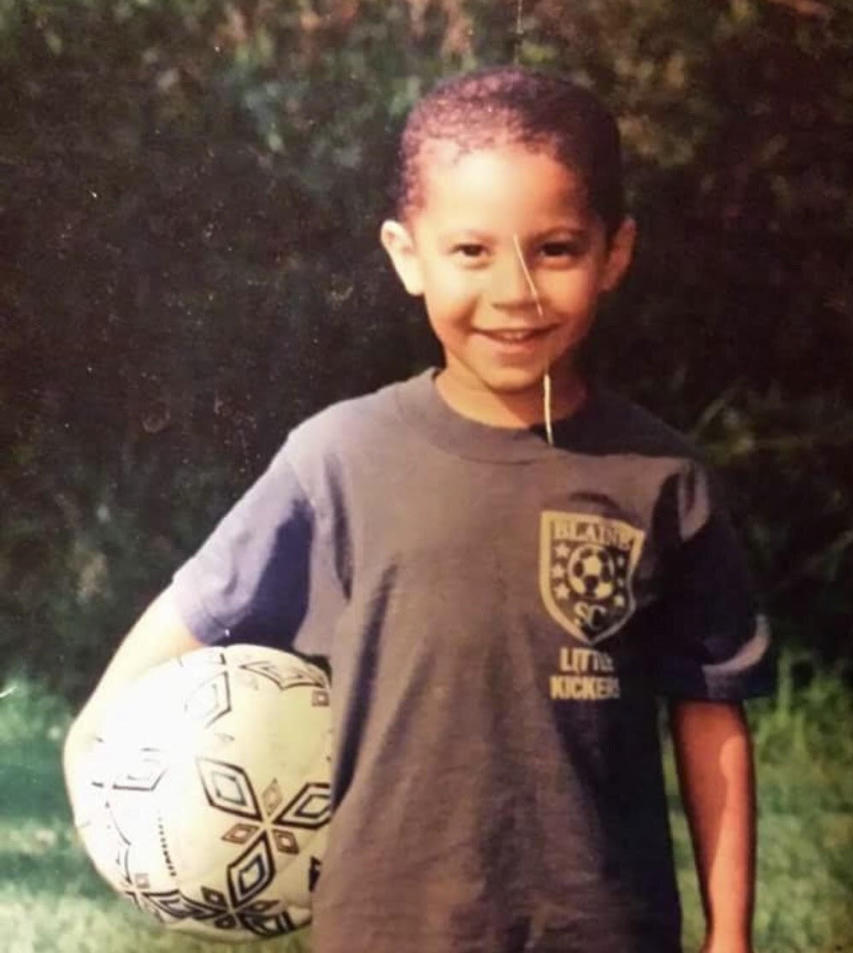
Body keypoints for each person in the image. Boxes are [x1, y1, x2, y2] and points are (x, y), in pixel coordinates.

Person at [64, 66, 773, 953]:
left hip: (605, 929)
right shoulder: (339, 458)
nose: (514, 291)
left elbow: (709, 714)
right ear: (408, 255)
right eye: (471, 251)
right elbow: (174, 636)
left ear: (613, 254)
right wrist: (98, 760)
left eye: (554, 248)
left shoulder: (661, 476)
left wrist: (730, 934)